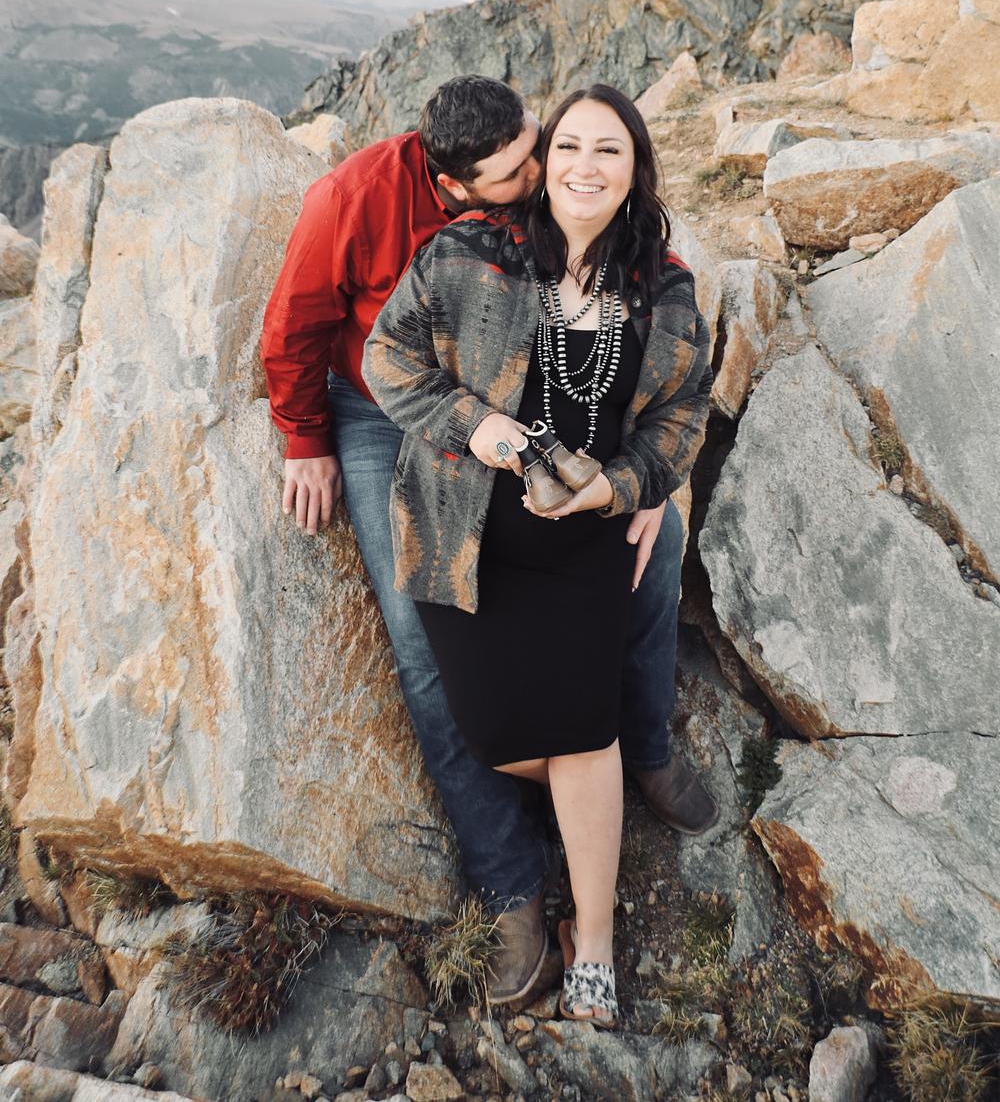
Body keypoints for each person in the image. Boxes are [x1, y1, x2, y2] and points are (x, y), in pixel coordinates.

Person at [259, 75, 717, 1009]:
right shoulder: (370, 206)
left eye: (549, 145)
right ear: (457, 186)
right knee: (417, 629)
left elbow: (672, 394)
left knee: (657, 547)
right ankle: (512, 882)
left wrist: (642, 483)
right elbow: (310, 327)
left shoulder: (633, 263)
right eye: (529, 166)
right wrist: (305, 438)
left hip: (559, 465)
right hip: (389, 404)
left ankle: (641, 746)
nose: (549, 169)